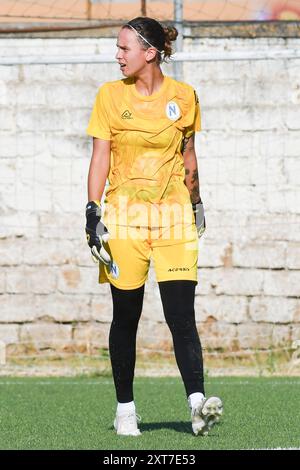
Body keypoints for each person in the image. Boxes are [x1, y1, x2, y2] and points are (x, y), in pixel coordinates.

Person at [85, 16, 223, 437]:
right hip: (125, 219)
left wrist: (197, 204)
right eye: (117, 47)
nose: (117, 55)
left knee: (181, 315)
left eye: (124, 48)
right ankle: (125, 411)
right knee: (126, 315)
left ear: (150, 53)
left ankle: (198, 406)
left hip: (174, 218)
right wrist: (92, 212)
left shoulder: (185, 97)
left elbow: (189, 157)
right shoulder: (109, 96)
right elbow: (100, 157)